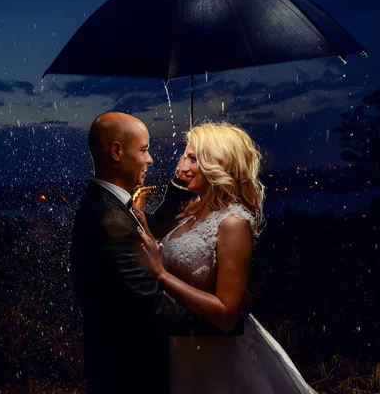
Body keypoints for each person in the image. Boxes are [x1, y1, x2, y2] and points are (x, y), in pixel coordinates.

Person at [69, 112, 246, 394]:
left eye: (193, 158)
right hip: (130, 371)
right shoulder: (110, 220)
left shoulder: (108, 207)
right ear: (117, 152)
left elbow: (155, 229)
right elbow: (153, 308)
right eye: (144, 150)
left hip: (126, 364)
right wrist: (225, 322)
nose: (151, 159)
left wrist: (180, 188)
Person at [135, 121, 318, 393]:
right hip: (186, 343)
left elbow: (226, 315)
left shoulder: (233, 223)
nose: (181, 167)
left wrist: (160, 275)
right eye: (184, 155)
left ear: (217, 164)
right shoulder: (191, 211)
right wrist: (149, 234)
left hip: (220, 355)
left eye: (194, 158)